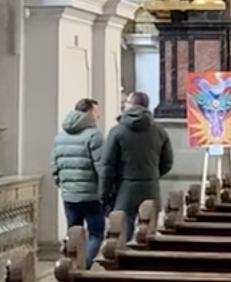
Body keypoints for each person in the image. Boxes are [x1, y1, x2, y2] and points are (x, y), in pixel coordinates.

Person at [98, 91, 175, 231]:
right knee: (149, 233)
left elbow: (107, 166)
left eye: (126, 102)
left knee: (122, 234)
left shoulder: (117, 131)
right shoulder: (159, 131)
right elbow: (167, 162)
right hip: (151, 187)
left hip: (125, 188)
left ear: (131, 105)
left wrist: (104, 197)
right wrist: (151, 173)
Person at [51, 99, 107, 263]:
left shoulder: (60, 137)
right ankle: (83, 266)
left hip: (69, 194)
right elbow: (101, 167)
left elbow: (54, 166)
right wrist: (105, 191)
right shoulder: (94, 136)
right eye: (96, 112)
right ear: (88, 113)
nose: (98, 115)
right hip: (91, 195)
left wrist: (64, 186)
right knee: (96, 233)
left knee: (73, 233)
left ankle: (70, 265)